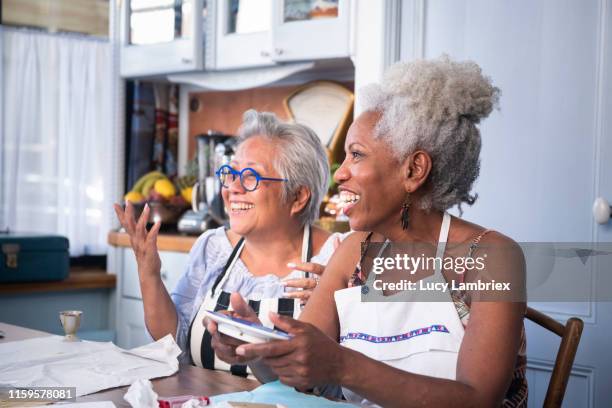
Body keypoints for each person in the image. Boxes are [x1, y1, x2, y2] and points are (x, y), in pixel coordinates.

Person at [208, 57, 528, 407]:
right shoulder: (353, 251)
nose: (339, 174)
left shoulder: (493, 258)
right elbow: (299, 376)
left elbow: (478, 400)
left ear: (414, 170)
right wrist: (256, 347)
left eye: (356, 155)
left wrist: (342, 366)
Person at [114, 109, 342, 374]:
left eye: (250, 177)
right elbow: (174, 343)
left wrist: (343, 305)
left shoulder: (337, 256)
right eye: (231, 174)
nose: (232, 188)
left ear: (298, 197)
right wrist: (148, 271)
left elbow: (345, 375)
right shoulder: (212, 247)